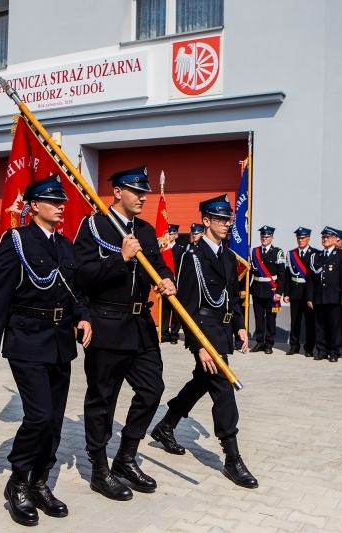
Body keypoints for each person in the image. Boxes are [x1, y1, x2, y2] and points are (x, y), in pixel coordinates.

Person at [0, 175, 92, 526]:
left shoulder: (66, 246)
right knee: (38, 416)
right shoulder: (17, 241)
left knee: (53, 422)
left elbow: (75, 294)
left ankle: (40, 482)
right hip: (26, 340)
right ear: (34, 205)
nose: (60, 207)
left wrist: (83, 317)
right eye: (53, 202)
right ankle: (17, 482)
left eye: (62, 202)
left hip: (59, 343)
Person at [74, 165, 175, 501]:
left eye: (145, 191)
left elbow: (157, 263)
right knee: (103, 398)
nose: (143, 197)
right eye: (136, 191)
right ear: (117, 192)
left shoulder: (145, 230)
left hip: (140, 325)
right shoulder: (93, 225)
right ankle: (100, 469)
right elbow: (81, 275)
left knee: (152, 389)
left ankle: (126, 458)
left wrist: (165, 279)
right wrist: (120, 257)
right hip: (106, 323)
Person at [151, 195, 257, 488]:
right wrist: (198, 346)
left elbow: (232, 296)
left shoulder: (226, 256)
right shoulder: (192, 256)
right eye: (220, 219)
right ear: (207, 221)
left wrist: (240, 326)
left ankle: (166, 425)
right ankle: (232, 458)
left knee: (202, 380)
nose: (226, 224)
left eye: (228, 219)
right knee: (223, 387)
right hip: (204, 331)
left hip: (222, 330)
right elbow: (184, 305)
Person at [306, 226, 342, 362]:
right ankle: (321, 350)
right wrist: (309, 296)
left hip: (335, 297)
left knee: (334, 325)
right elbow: (311, 278)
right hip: (319, 296)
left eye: (328, 237)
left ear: (334, 239)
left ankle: (334, 351)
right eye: (323, 237)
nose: (325, 240)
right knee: (320, 325)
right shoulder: (317, 256)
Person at [249, 225, 286, 354]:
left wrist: (279, 292)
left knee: (270, 319)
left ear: (272, 238)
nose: (264, 238)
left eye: (267, 236)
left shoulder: (277, 252)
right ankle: (260, 342)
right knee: (259, 318)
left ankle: (269, 344)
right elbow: (251, 273)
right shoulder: (254, 252)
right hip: (257, 289)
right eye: (263, 236)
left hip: (271, 290)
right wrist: (247, 289)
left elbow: (282, 275)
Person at [283, 226, 318, 356]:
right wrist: (286, 293)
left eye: (303, 238)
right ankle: (294, 346)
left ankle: (309, 348)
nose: (300, 240)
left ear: (308, 239)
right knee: (295, 321)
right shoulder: (291, 254)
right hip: (295, 291)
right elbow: (287, 275)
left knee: (310, 322)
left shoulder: (315, 253)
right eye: (298, 238)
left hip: (308, 292)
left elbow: (314, 277)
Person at [160, 224, 182, 344]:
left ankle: (174, 334)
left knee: (176, 311)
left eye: (172, 234)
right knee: (165, 309)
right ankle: (164, 333)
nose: (170, 236)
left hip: (177, 283)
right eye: (169, 233)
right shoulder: (163, 250)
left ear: (177, 235)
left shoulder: (181, 249)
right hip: (167, 282)